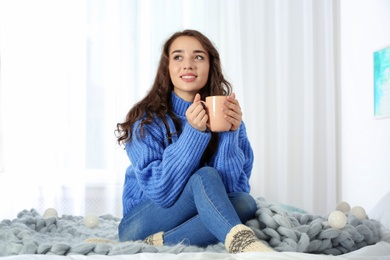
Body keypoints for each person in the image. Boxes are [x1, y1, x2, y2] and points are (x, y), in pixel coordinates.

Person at [115, 29, 273, 253]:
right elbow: (162, 192)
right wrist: (194, 134)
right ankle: (244, 245)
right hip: (140, 223)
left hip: (186, 219)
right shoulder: (146, 119)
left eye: (198, 57)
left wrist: (229, 133)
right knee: (205, 176)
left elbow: (229, 194)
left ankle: (164, 241)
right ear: (167, 67)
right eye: (178, 57)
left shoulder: (229, 118)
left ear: (210, 66)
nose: (188, 65)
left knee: (245, 203)